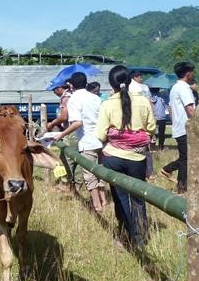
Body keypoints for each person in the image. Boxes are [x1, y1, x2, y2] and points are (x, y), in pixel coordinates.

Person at [96, 65, 156, 250]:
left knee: (120, 197)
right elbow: (151, 128)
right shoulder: (144, 101)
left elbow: (100, 135)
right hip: (137, 158)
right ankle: (140, 238)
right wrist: (135, 137)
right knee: (138, 197)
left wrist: (117, 136)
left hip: (113, 157)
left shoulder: (106, 104)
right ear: (130, 80)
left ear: (111, 83)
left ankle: (125, 236)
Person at [54, 72, 107, 212]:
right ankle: (104, 201)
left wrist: (61, 134)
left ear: (71, 85)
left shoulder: (73, 99)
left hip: (87, 141)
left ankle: (96, 205)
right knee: (101, 172)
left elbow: (77, 122)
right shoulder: (96, 98)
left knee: (89, 175)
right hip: (101, 140)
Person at [160, 62, 195, 193]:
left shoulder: (175, 87)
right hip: (185, 128)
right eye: (192, 72)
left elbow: (171, 108)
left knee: (185, 157)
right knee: (186, 159)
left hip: (179, 127)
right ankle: (182, 187)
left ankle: (168, 170)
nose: (193, 74)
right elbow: (190, 109)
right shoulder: (184, 88)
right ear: (188, 73)